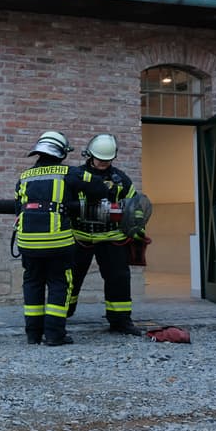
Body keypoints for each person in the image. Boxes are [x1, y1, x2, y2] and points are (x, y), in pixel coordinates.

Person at [14, 131, 111, 346]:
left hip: (27, 242)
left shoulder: (25, 176)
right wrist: (77, 203)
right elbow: (100, 188)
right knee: (59, 284)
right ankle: (55, 335)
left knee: (32, 284)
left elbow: (17, 206)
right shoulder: (70, 173)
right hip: (58, 242)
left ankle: (33, 334)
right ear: (61, 153)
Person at [68, 134, 143, 336]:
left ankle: (120, 321)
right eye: (100, 159)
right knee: (69, 277)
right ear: (90, 155)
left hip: (112, 238)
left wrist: (136, 231)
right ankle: (61, 314)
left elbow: (136, 207)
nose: (103, 163)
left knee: (118, 278)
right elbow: (63, 203)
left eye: (107, 160)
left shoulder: (121, 180)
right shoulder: (74, 176)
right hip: (79, 236)